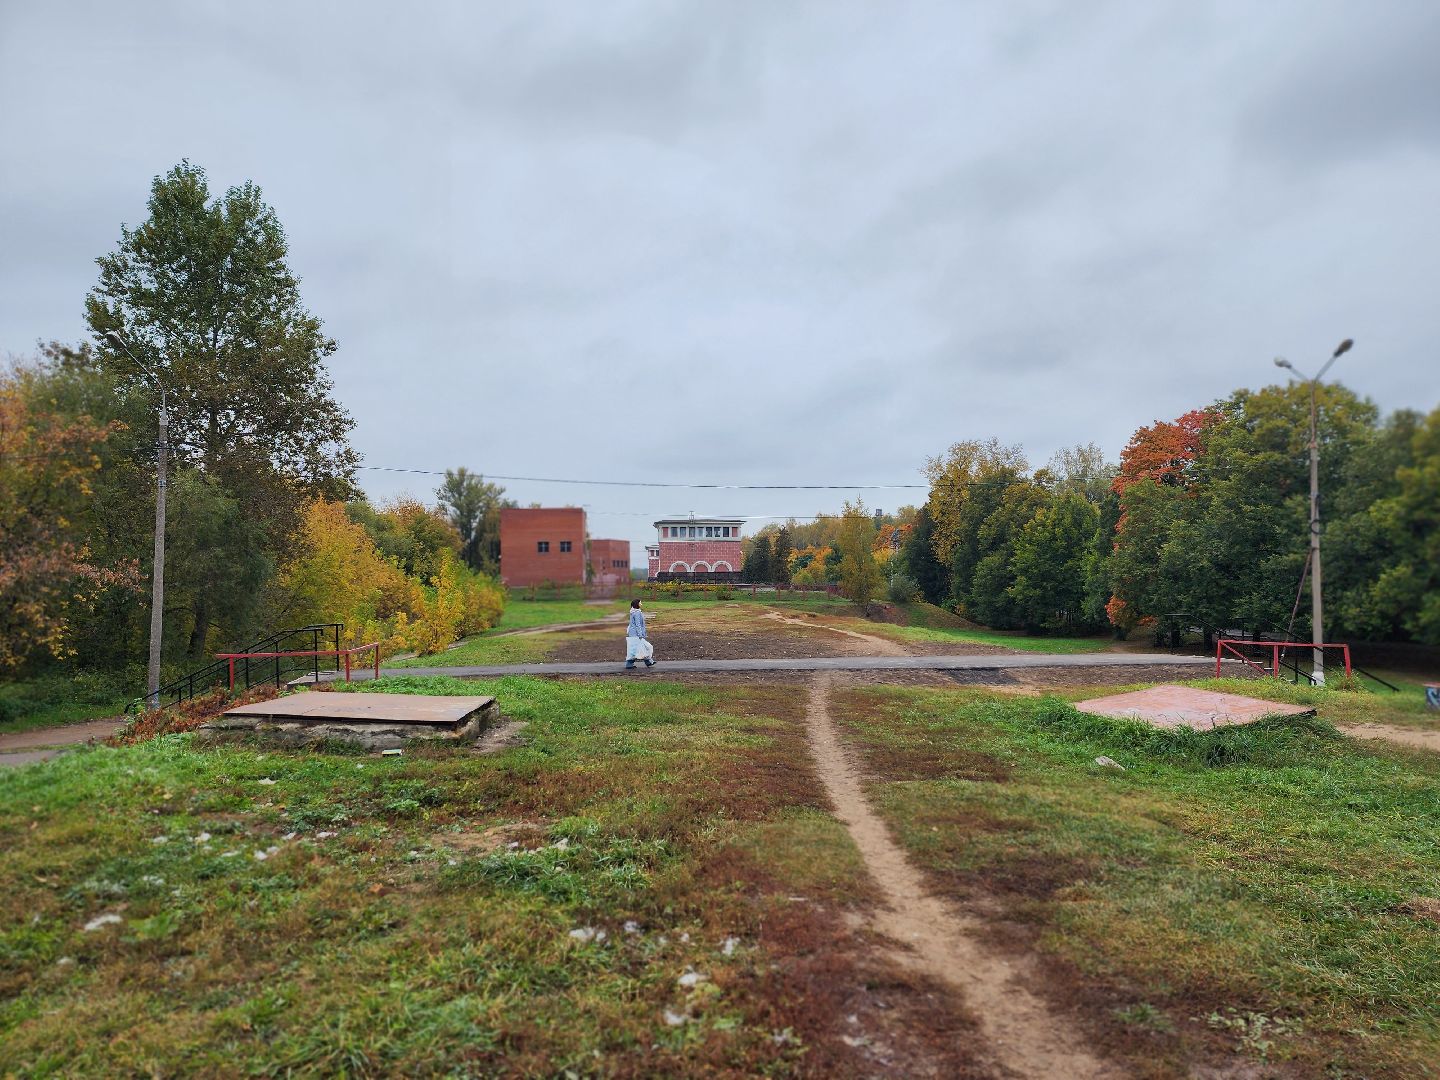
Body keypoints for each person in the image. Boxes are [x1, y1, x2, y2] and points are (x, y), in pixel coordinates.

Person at [625, 598, 656, 669]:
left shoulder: (633, 611)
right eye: (640, 603)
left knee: (638, 647)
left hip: (632, 633)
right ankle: (648, 661)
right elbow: (638, 624)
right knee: (644, 647)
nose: (641, 604)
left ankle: (648, 662)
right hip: (636, 634)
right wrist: (640, 634)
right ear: (637, 604)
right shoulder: (637, 612)